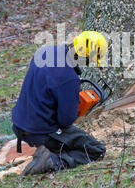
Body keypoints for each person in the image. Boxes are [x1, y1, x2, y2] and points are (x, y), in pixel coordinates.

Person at [11, 31, 108, 175]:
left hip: (20, 122)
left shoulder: (45, 52)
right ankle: (52, 160)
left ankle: (49, 151)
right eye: (90, 60)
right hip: (40, 131)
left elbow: (47, 82)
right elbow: (66, 121)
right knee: (96, 150)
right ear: (85, 56)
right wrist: (73, 100)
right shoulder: (69, 79)